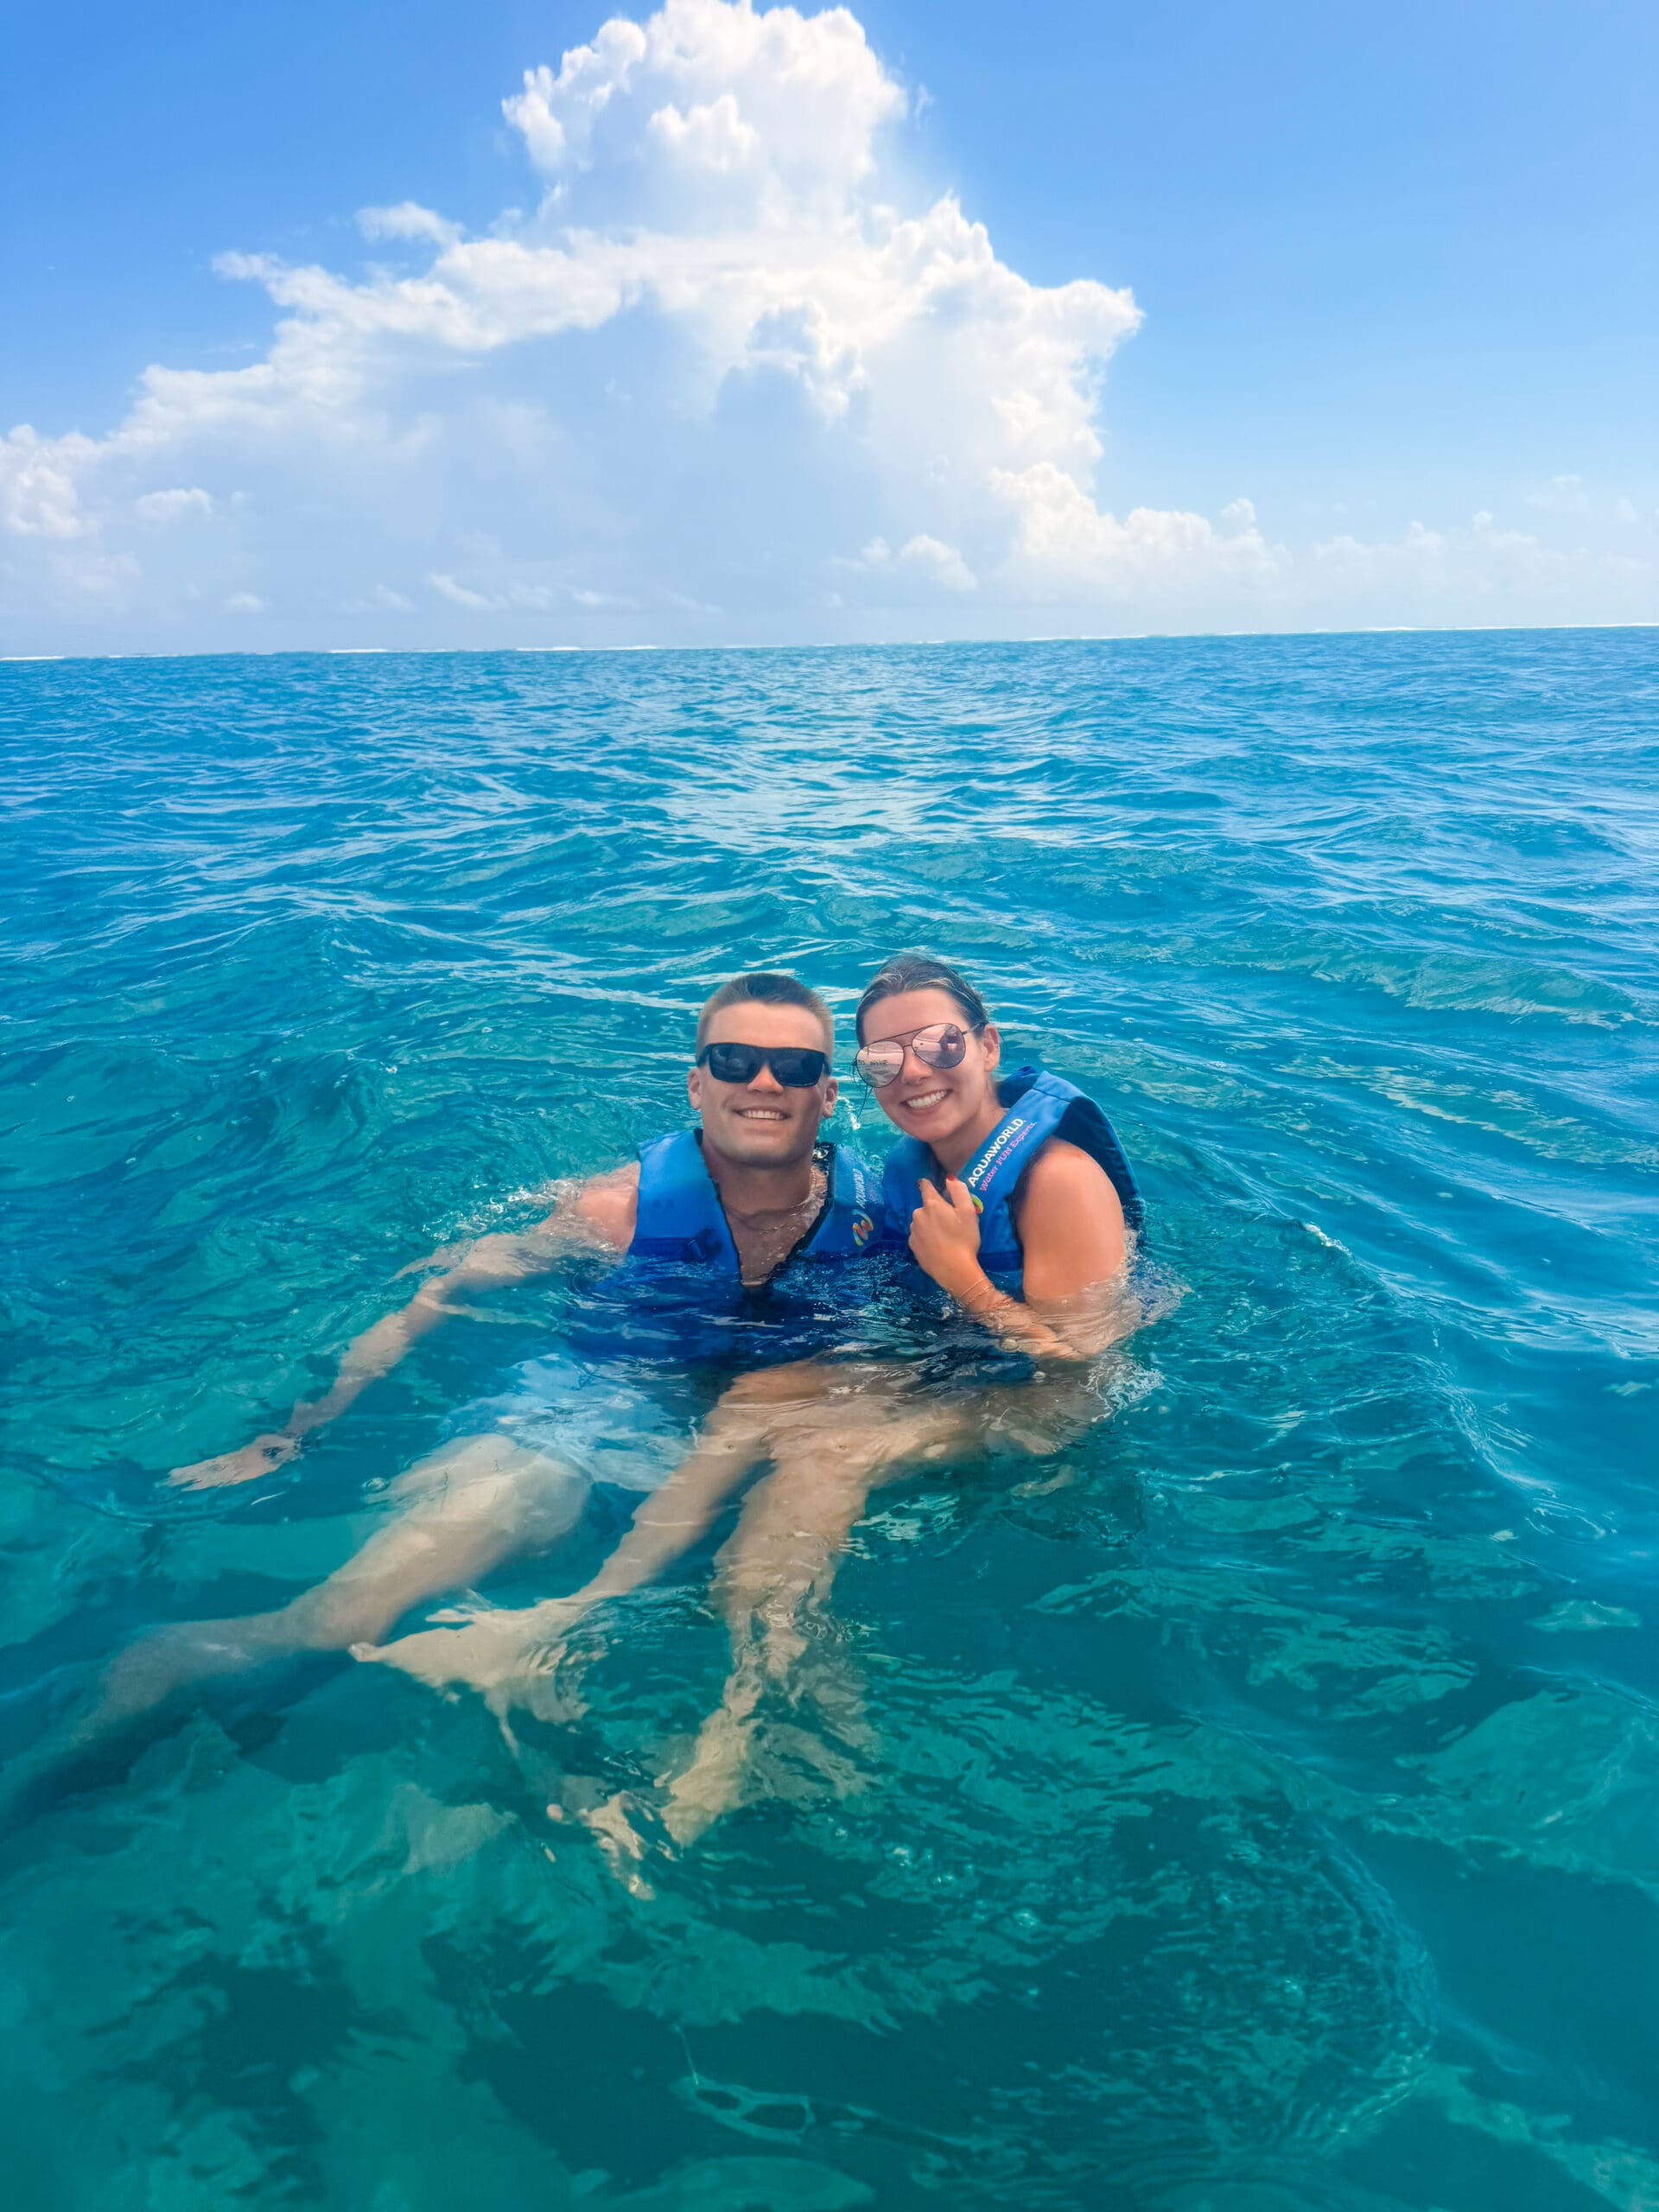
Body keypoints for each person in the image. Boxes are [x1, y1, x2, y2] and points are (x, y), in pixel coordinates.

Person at [17, 970, 939, 1802]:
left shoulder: (883, 1223)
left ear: (830, 1092)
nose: (764, 1081)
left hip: (762, 1434)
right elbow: (439, 1291)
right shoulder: (611, 1212)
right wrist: (295, 1431)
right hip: (582, 1413)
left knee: (771, 1633)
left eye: (793, 1064)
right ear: (696, 1082)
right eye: (735, 1058)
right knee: (337, 1619)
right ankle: (89, 1740)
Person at [370, 952, 1146, 1847]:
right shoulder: (919, 1173)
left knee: (825, 1454)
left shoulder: (1058, 1178)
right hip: (970, 1367)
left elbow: (1086, 1366)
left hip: (1056, 1401)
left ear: (987, 1042)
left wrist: (962, 1280)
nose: (917, 1072)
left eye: (939, 1043)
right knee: (763, 1392)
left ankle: (730, 1744)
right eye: (886, 1061)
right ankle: (573, 1617)